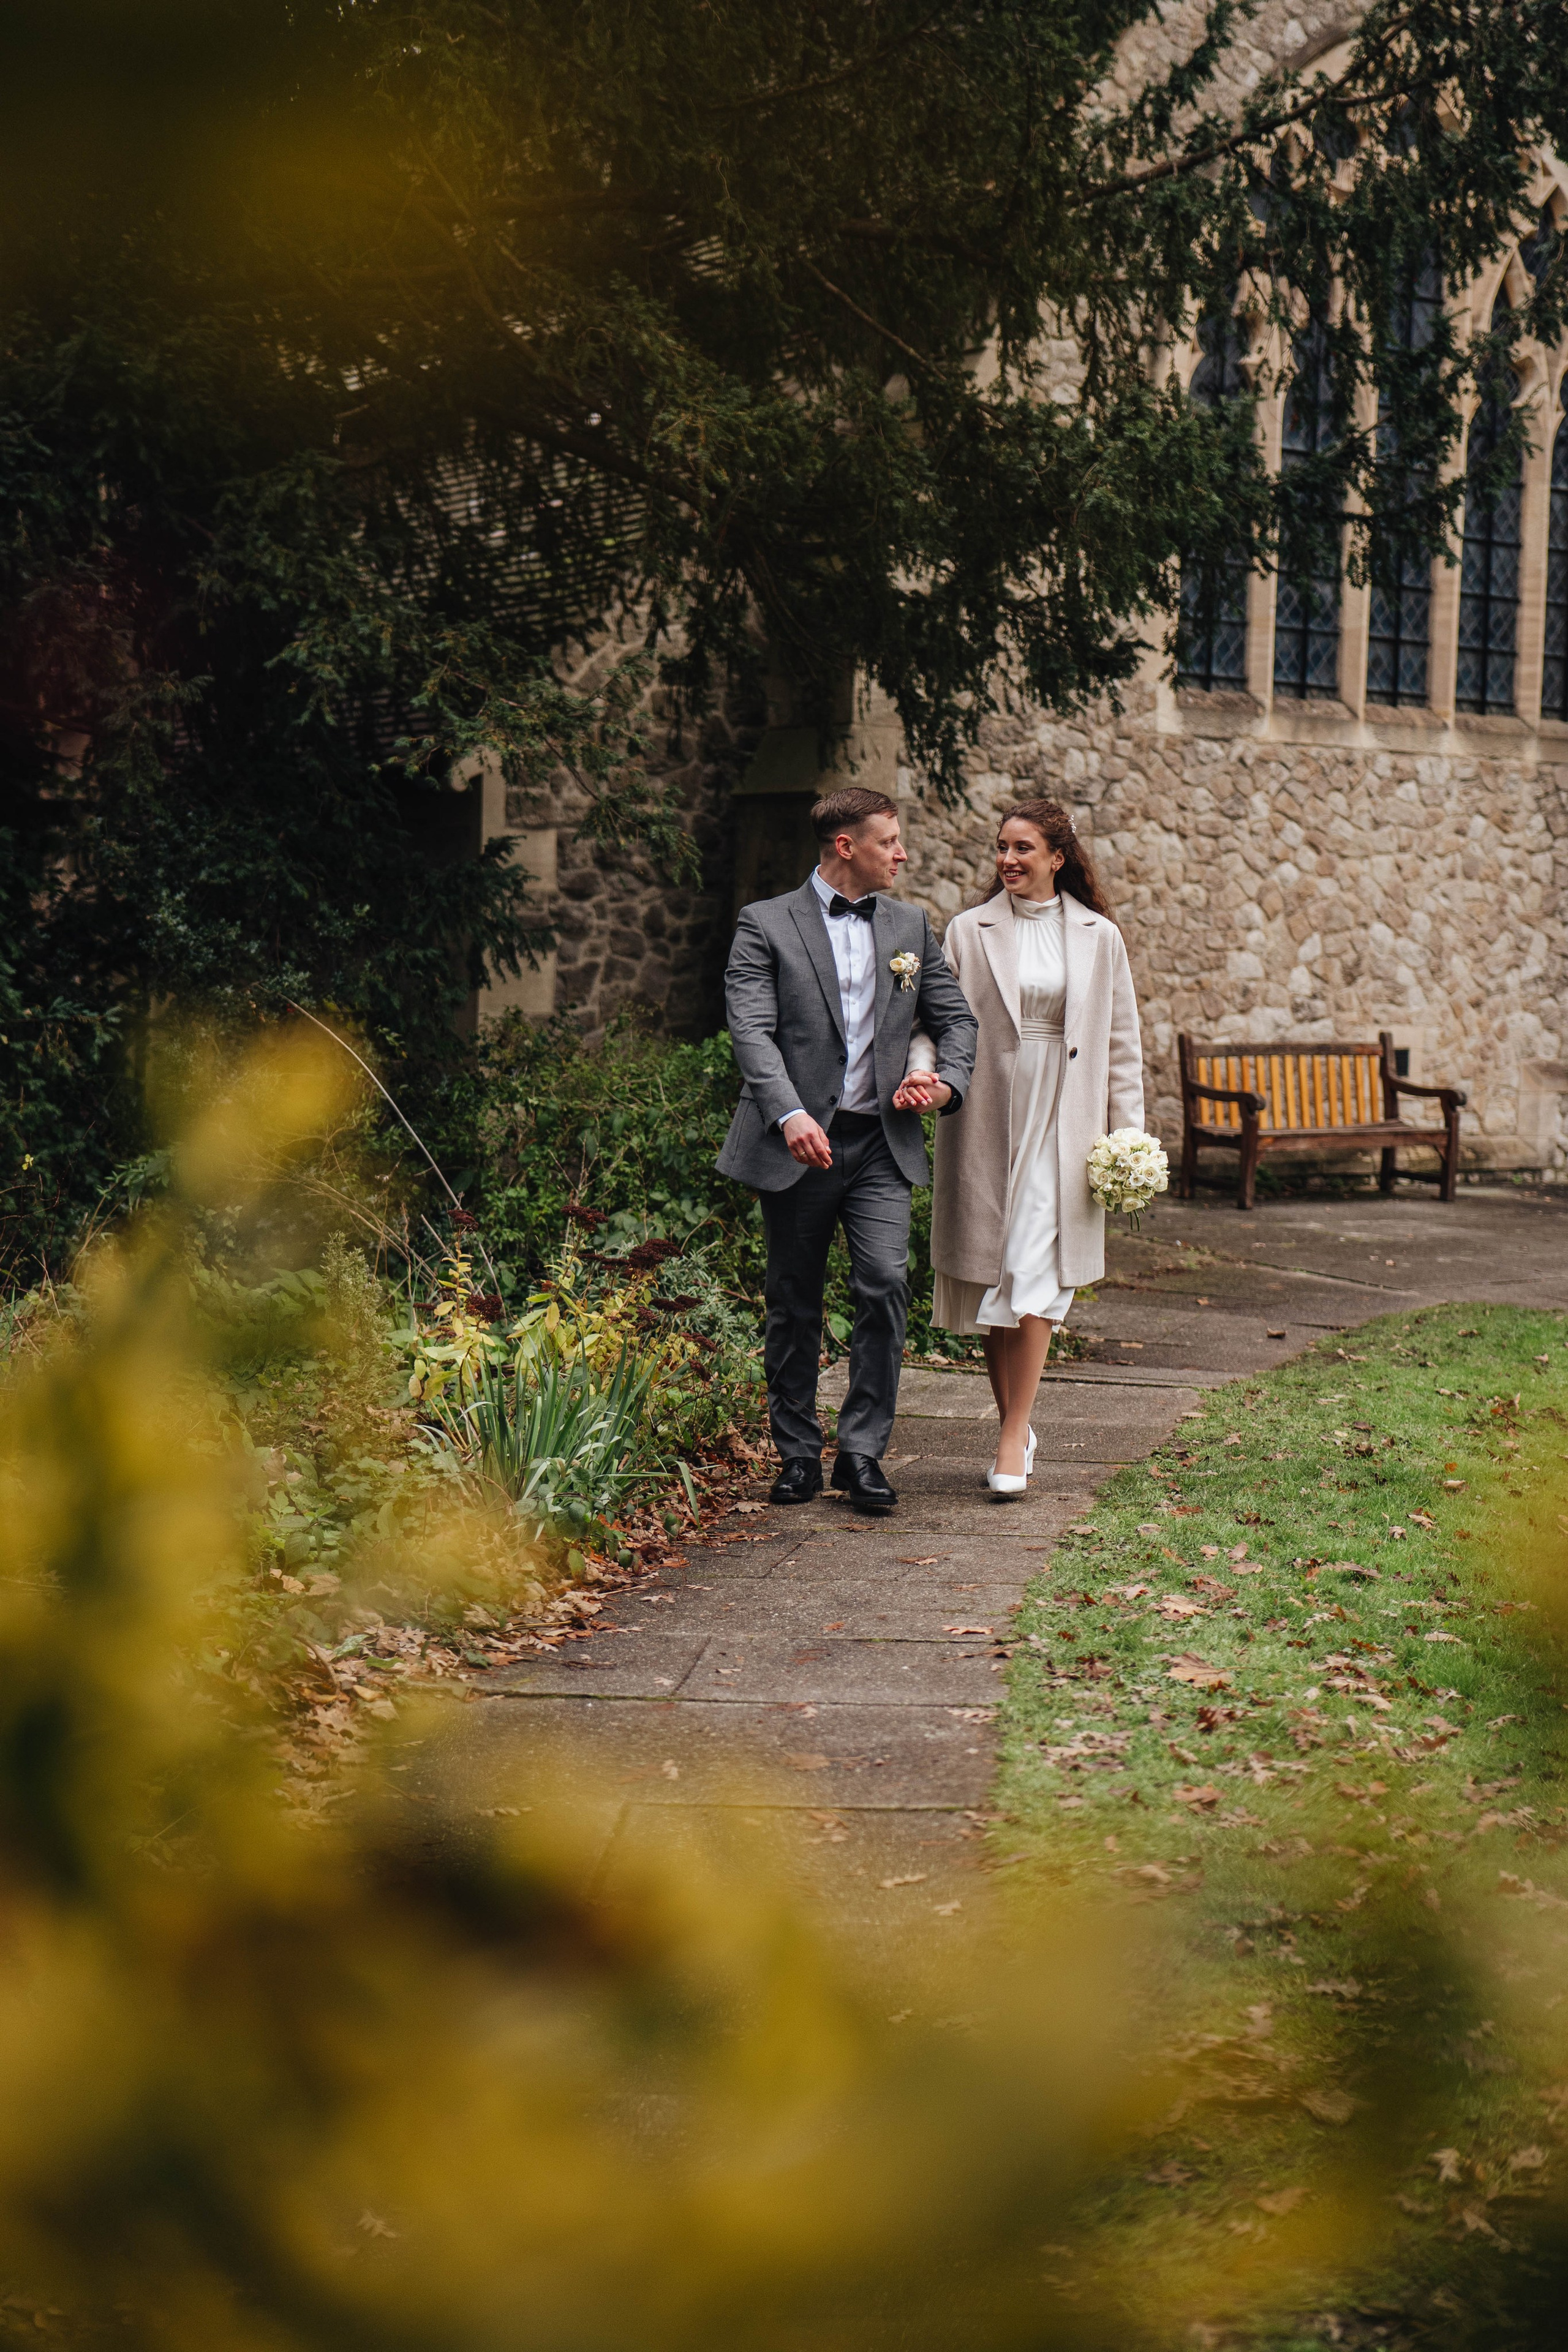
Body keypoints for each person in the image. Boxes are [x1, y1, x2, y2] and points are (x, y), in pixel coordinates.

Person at [717, 787, 978, 1515]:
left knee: (884, 1285)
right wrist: (790, 1114)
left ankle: (861, 1454)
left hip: (878, 1147)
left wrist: (944, 1084)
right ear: (845, 847)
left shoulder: (908, 924)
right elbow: (751, 1033)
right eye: (889, 841)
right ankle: (797, 1454)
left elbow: (955, 1020)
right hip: (799, 1147)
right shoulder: (763, 924)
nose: (902, 854)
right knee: (794, 1301)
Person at [912, 798, 1144, 1496]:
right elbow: (935, 1018)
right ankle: (1014, 1419)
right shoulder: (968, 930)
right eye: (1001, 848)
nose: (1007, 860)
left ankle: (1012, 1436)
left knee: (1037, 1262)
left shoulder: (1100, 937)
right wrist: (923, 1072)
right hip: (988, 1112)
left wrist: (1127, 1136)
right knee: (995, 1268)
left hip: (1066, 1117)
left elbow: (1122, 1045)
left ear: (1056, 858)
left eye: (1022, 849)